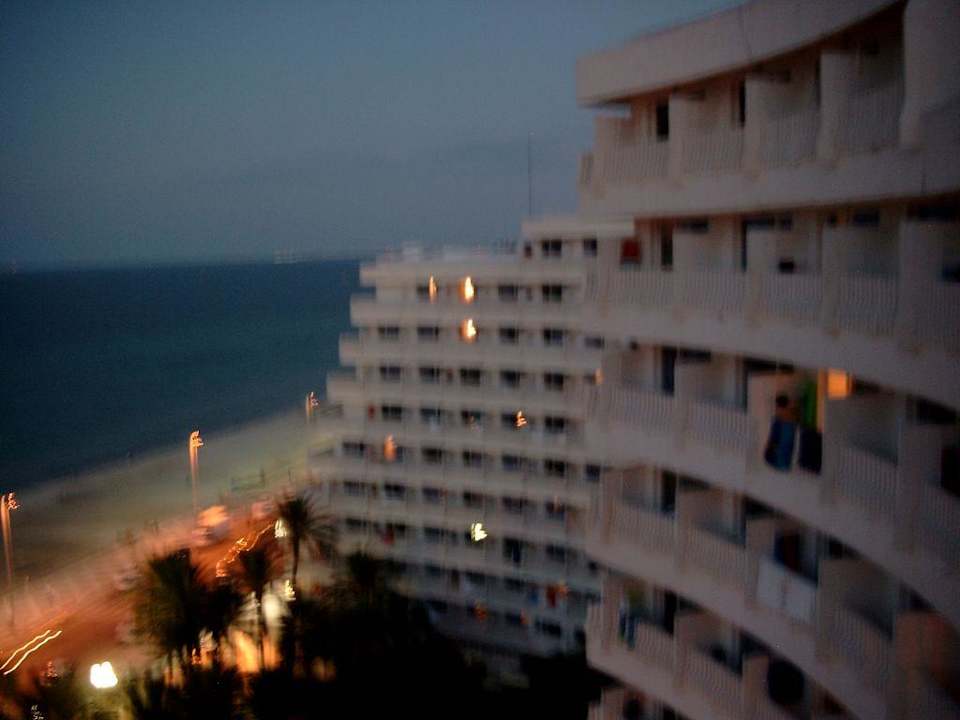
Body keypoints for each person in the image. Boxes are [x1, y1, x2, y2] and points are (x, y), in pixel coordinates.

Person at [764, 394, 797, 471]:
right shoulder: (782, 421)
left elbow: (774, 439)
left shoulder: (784, 422)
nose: (777, 410)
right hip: (780, 458)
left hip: (780, 458)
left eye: (777, 407)